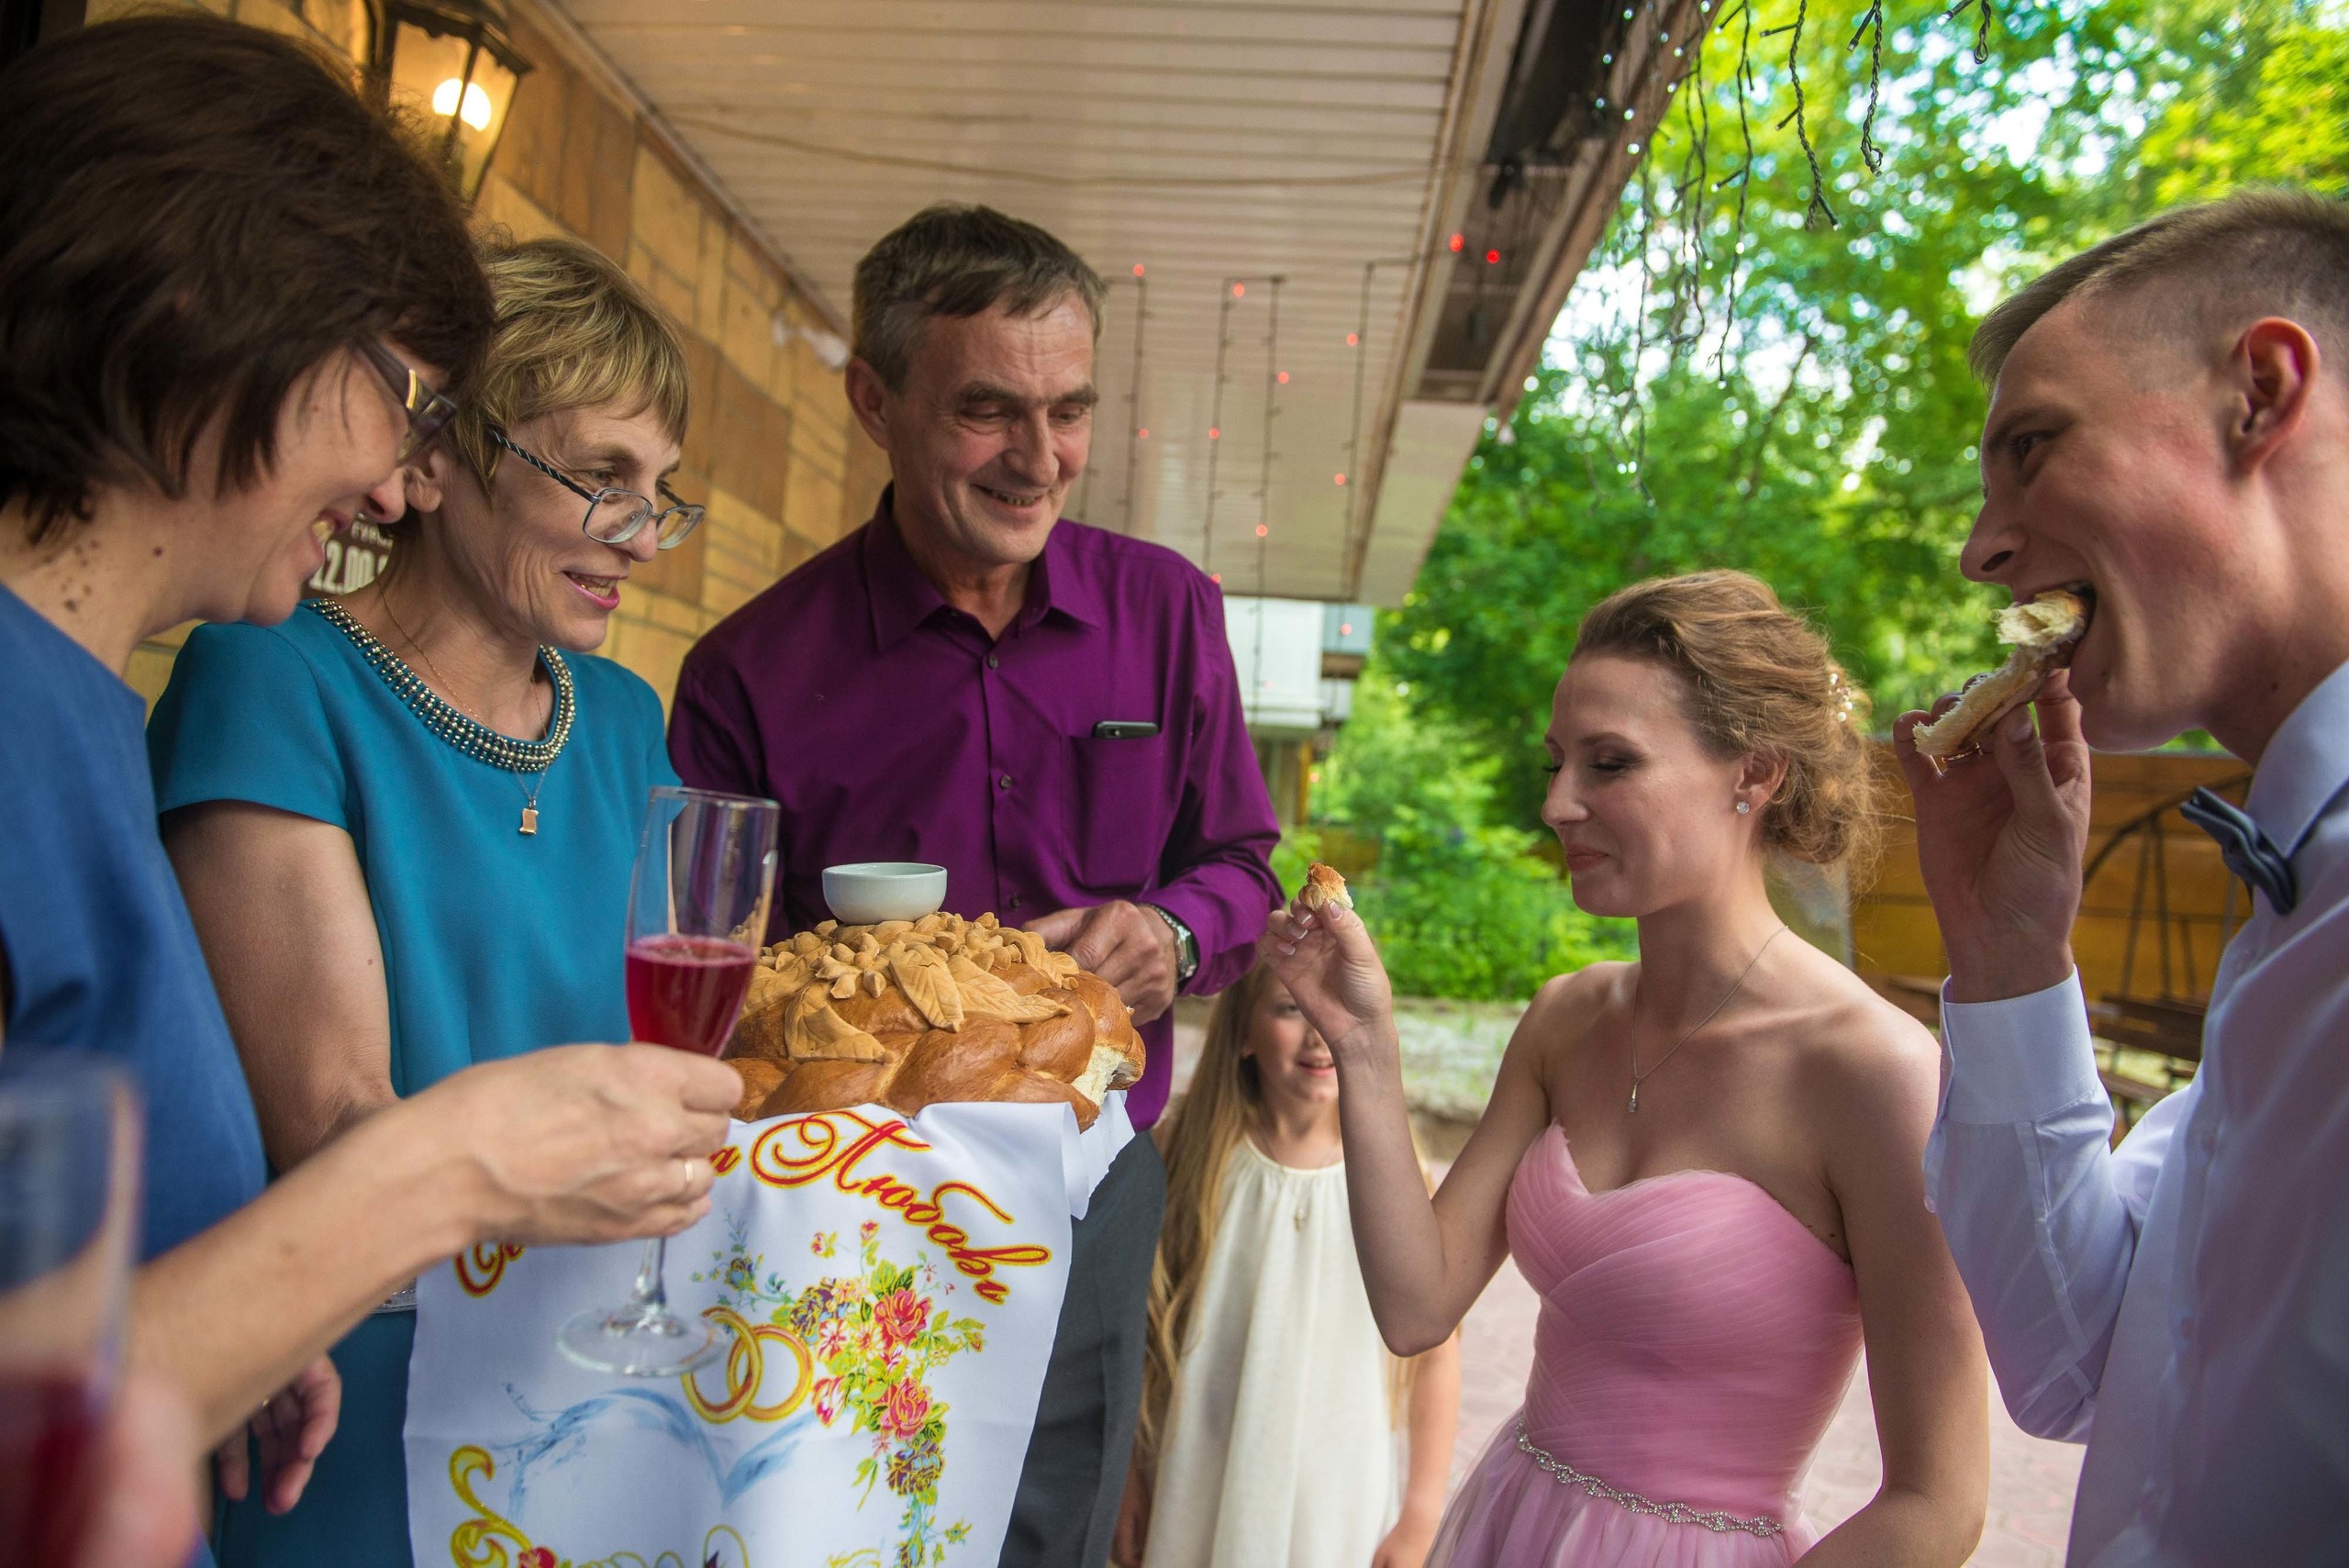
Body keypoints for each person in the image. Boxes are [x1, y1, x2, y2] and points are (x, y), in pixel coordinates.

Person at [0, 20, 737, 1567]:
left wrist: (234, 1332)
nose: (402, 472)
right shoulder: (188, 689)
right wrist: (445, 1166)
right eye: (401, 393)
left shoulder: (66, 703)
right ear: (227, 333)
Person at [667, 203, 1283, 1566]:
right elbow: (705, 980)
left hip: (1094, 1177)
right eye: (988, 410)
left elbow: (1242, 864)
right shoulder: (747, 669)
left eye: (1069, 410)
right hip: (838, 1199)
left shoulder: (1170, 611)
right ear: (874, 401)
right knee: (825, 1524)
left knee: (1049, 1530)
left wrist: (1172, 931)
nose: (1040, 457)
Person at [149, 233, 702, 1565]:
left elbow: (674, 1055)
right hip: (354, 1405)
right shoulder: (270, 677)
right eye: (600, 476)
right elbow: (337, 1120)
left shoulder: (625, 719)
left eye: (663, 490)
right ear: (439, 454)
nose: (642, 535)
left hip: (594, 1386)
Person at [1264, 572, 1991, 1566]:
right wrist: (1361, 1043)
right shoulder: (1569, 1016)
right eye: (1558, 761)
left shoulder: (1875, 1074)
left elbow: (1938, 1502)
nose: (1557, 802)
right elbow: (1414, 1303)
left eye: (1609, 763)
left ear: (1756, 773)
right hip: (1511, 1525)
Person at [1895, 190, 2349, 1563]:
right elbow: (2078, 1362)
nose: (1982, 546)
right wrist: (2009, 959)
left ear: (2258, 395)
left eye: (2032, 448)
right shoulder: (2292, 890)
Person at [1114, 961, 1459, 1568]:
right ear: (1243, 1032)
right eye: (1291, 1007)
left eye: (1335, 1008)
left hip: (1333, 1493)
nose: (1320, 1032)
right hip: (1196, 1474)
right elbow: (1128, 1326)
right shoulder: (1183, 1152)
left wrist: (1423, 1511)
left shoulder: (1399, 1181)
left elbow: (1436, 1358)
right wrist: (1125, 1478)